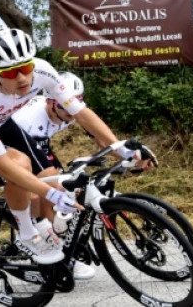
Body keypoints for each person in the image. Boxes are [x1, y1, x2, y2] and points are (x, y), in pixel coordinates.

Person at [0, 27, 147, 265]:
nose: (21, 78)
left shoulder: (44, 70)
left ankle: (51, 237)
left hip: (1, 122)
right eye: (11, 72)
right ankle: (27, 234)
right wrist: (52, 195)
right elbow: (2, 163)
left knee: (50, 175)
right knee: (20, 165)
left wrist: (119, 146)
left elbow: (81, 112)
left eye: (25, 68)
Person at [11, 71, 155, 278]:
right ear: (51, 103)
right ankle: (45, 241)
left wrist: (130, 156)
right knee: (42, 192)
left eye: (76, 102)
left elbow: (103, 141)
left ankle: (64, 238)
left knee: (68, 186)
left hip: (38, 145)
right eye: (65, 105)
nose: (71, 110)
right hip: (7, 148)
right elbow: (19, 165)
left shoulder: (69, 109)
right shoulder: (30, 119)